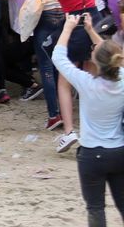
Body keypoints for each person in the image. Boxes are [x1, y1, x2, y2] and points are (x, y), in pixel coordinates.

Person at [13, 0, 106, 152]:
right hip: (93, 22)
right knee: (90, 81)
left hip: (72, 26)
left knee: (64, 82)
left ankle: (69, 132)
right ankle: (91, 130)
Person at [53, 14, 124, 227]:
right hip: (119, 151)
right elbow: (110, 53)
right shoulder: (121, 79)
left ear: (95, 60)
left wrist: (68, 28)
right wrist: (91, 30)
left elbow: (58, 58)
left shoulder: (86, 82)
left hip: (92, 153)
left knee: (95, 208)